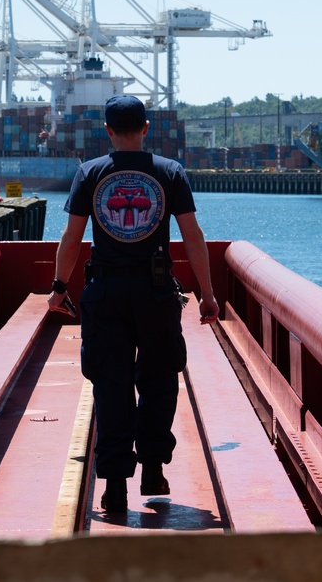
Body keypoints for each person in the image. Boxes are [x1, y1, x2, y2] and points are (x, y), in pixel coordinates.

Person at [47, 94, 219, 514]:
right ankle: (154, 467)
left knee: (111, 386)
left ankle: (113, 486)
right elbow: (192, 236)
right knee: (160, 379)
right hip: (156, 293)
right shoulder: (170, 172)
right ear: (146, 128)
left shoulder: (89, 173)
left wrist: (57, 287)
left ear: (107, 131)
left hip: (104, 294)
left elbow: (72, 238)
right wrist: (208, 293)